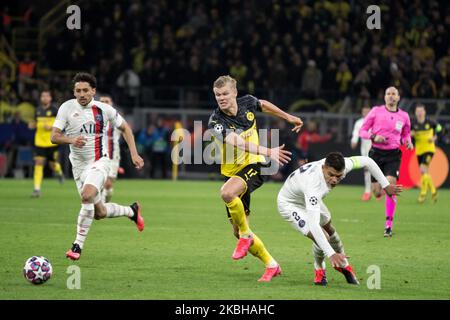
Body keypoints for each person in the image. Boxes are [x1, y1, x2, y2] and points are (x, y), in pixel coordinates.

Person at [208, 75, 303, 282]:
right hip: (233, 173)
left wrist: (288, 117)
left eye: (225, 93)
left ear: (235, 92)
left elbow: (264, 105)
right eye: (217, 95)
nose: (221, 98)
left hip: (255, 165)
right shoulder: (215, 121)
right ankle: (271, 264)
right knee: (239, 229)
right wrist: (269, 150)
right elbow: (235, 142)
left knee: (226, 192)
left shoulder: (247, 102)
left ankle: (245, 237)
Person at [51, 73, 145, 260]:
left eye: (86, 90)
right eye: (78, 90)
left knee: (87, 196)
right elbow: (54, 136)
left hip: (99, 162)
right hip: (78, 168)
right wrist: (71, 139)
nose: (82, 94)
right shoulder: (66, 108)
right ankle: (131, 211)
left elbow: (125, 128)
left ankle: (77, 246)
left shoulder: (104, 109)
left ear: (93, 91)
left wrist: (134, 153)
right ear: (74, 92)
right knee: (99, 213)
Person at [277, 152, 402, 286]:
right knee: (322, 236)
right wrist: (331, 253)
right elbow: (313, 225)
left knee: (329, 230)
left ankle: (344, 264)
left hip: (308, 198)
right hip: (290, 204)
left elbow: (368, 161)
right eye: (331, 175)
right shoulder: (313, 184)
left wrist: (385, 185)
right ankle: (319, 268)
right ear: (323, 168)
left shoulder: (345, 164)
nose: (335, 180)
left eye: (339, 176)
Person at [359, 86, 413, 237]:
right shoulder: (376, 111)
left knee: (390, 186)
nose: (391, 96)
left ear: (398, 97)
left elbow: (406, 134)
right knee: (377, 192)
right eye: (388, 93)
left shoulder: (404, 116)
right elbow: (362, 131)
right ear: (384, 97)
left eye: (393, 94)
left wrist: (408, 141)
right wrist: (374, 137)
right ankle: (379, 192)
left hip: (393, 155)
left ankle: (388, 224)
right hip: (375, 154)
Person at [29, 90, 64, 198]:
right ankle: (37, 189)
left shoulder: (55, 110)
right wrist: (32, 125)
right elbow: (34, 122)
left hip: (51, 142)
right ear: (40, 98)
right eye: (42, 96)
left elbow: (61, 124)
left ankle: (59, 173)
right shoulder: (37, 110)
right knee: (39, 163)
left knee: (52, 165)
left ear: (50, 98)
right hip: (39, 141)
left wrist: (51, 128)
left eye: (46, 96)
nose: (44, 98)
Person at [411, 104, 442, 203]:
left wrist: (435, 137)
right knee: (424, 172)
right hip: (419, 150)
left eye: (421, 111)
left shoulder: (430, 122)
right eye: (418, 111)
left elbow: (440, 129)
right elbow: (409, 136)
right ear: (415, 113)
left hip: (429, 149)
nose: (419, 113)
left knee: (423, 169)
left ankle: (427, 192)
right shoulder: (413, 124)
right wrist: (411, 135)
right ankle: (429, 192)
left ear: (424, 112)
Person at [98, 94, 121, 203]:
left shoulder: (117, 118)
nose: (104, 103)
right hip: (99, 155)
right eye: (102, 101)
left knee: (108, 184)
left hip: (113, 155)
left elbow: (127, 131)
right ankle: (101, 206)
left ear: (111, 103)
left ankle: (106, 198)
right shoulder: (94, 118)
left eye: (106, 101)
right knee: (101, 182)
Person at [350, 105, 372, 201]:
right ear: (362, 112)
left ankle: (379, 189)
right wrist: (354, 141)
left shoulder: (375, 121)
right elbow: (355, 133)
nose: (366, 113)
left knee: (379, 169)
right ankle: (367, 191)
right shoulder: (359, 123)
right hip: (365, 149)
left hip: (377, 148)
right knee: (367, 170)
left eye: (368, 111)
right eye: (364, 112)